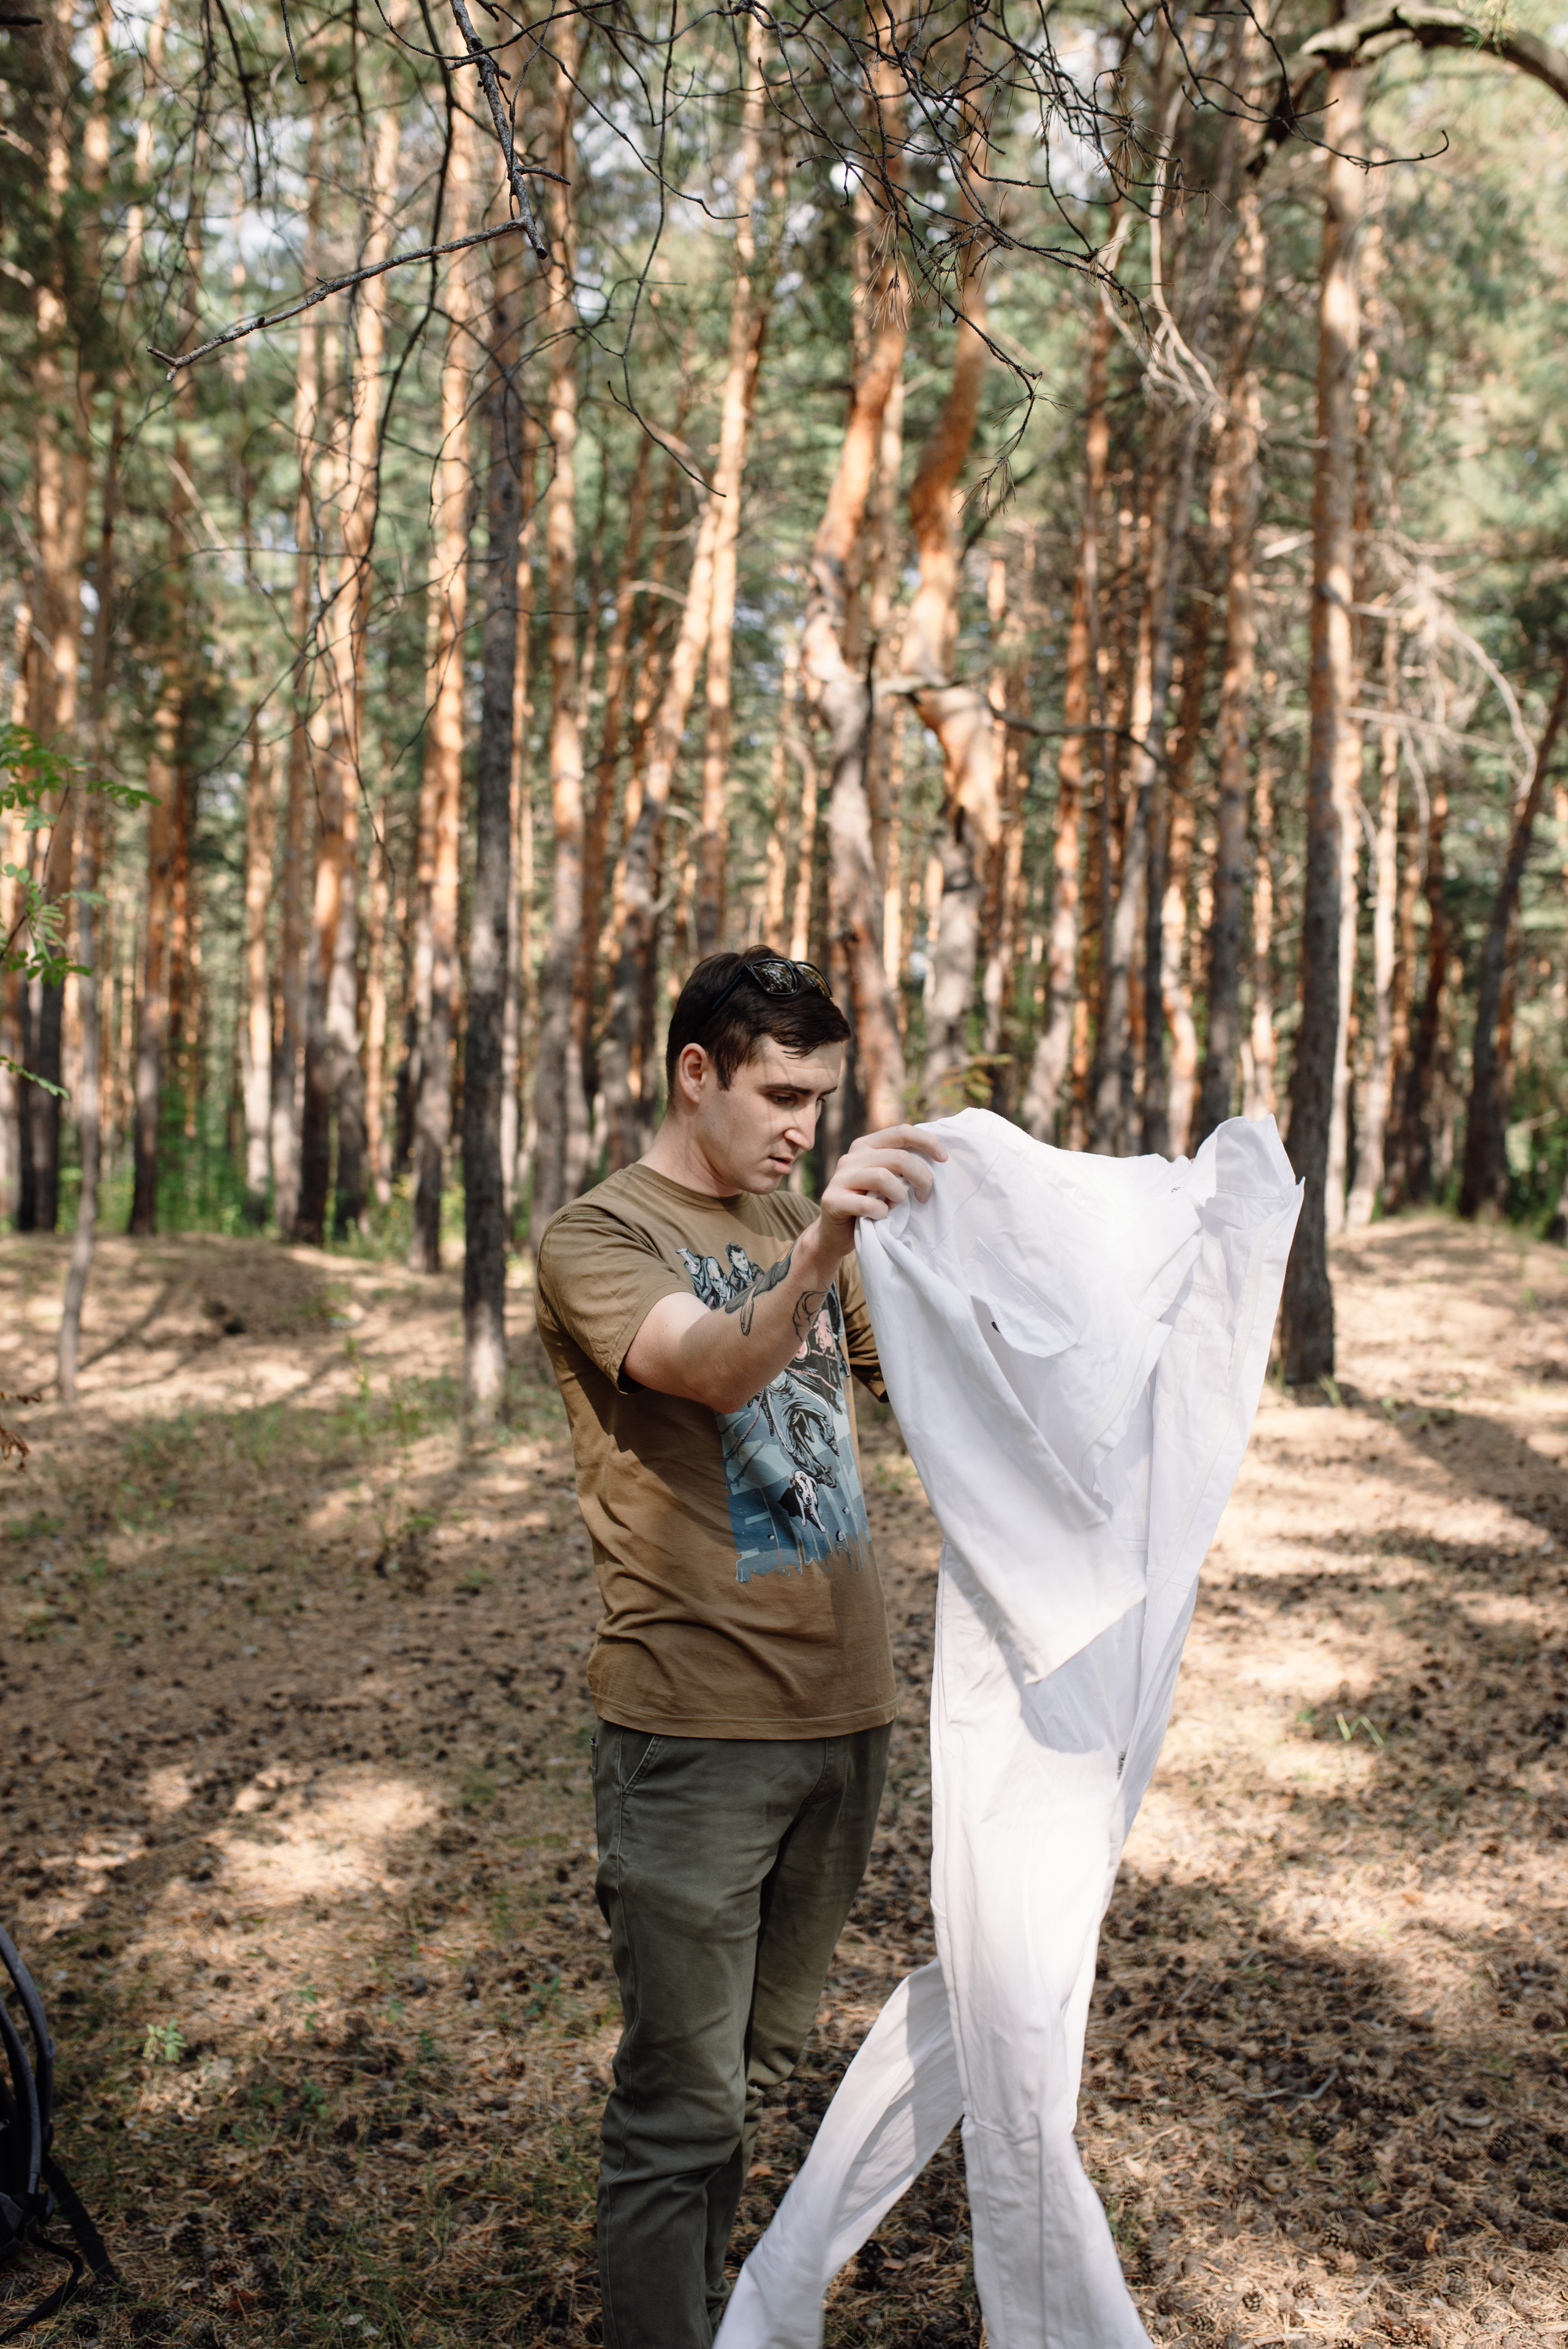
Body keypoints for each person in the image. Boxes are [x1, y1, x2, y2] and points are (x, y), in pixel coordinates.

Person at [533, 947, 947, 2349]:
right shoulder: (594, 1236)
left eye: (820, 1101)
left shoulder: (789, 1204)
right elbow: (711, 1367)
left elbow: (917, 1376)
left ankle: (709, 2318)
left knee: (755, 2070)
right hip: (697, 1726)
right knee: (678, 2101)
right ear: (693, 1070)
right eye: (777, 1094)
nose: (798, 1129)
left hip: (844, 1718)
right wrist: (820, 1249)